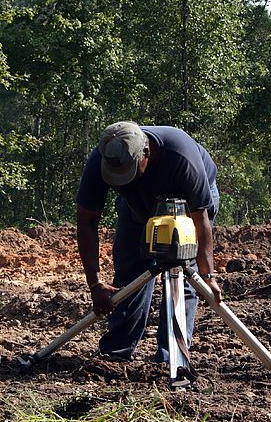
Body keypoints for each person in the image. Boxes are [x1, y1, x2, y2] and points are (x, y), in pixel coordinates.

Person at [75, 120, 221, 363]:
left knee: (181, 272)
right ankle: (117, 351)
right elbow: (87, 222)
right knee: (130, 270)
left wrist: (208, 277)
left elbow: (200, 219)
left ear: (146, 152)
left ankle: (172, 357)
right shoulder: (103, 159)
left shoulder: (180, 157)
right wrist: (95, 283)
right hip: (136, 206)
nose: (122, 179)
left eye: (128, 172)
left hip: (188, 205)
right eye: (116, 176)